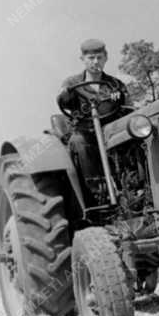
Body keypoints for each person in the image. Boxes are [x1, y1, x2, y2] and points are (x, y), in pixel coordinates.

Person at [56, 38, 129, 201]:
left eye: (99, 57)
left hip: (111, 132)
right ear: (82, 59)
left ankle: (131, 186)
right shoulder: (72, 83)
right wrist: (65, 95)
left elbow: (128, 108)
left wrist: (121, 100)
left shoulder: (115, 85)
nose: (96, 62)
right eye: (91, 58)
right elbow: (63, 100)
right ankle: (96, 192)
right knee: (78, 141)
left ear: (106, 58)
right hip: (85, 132)